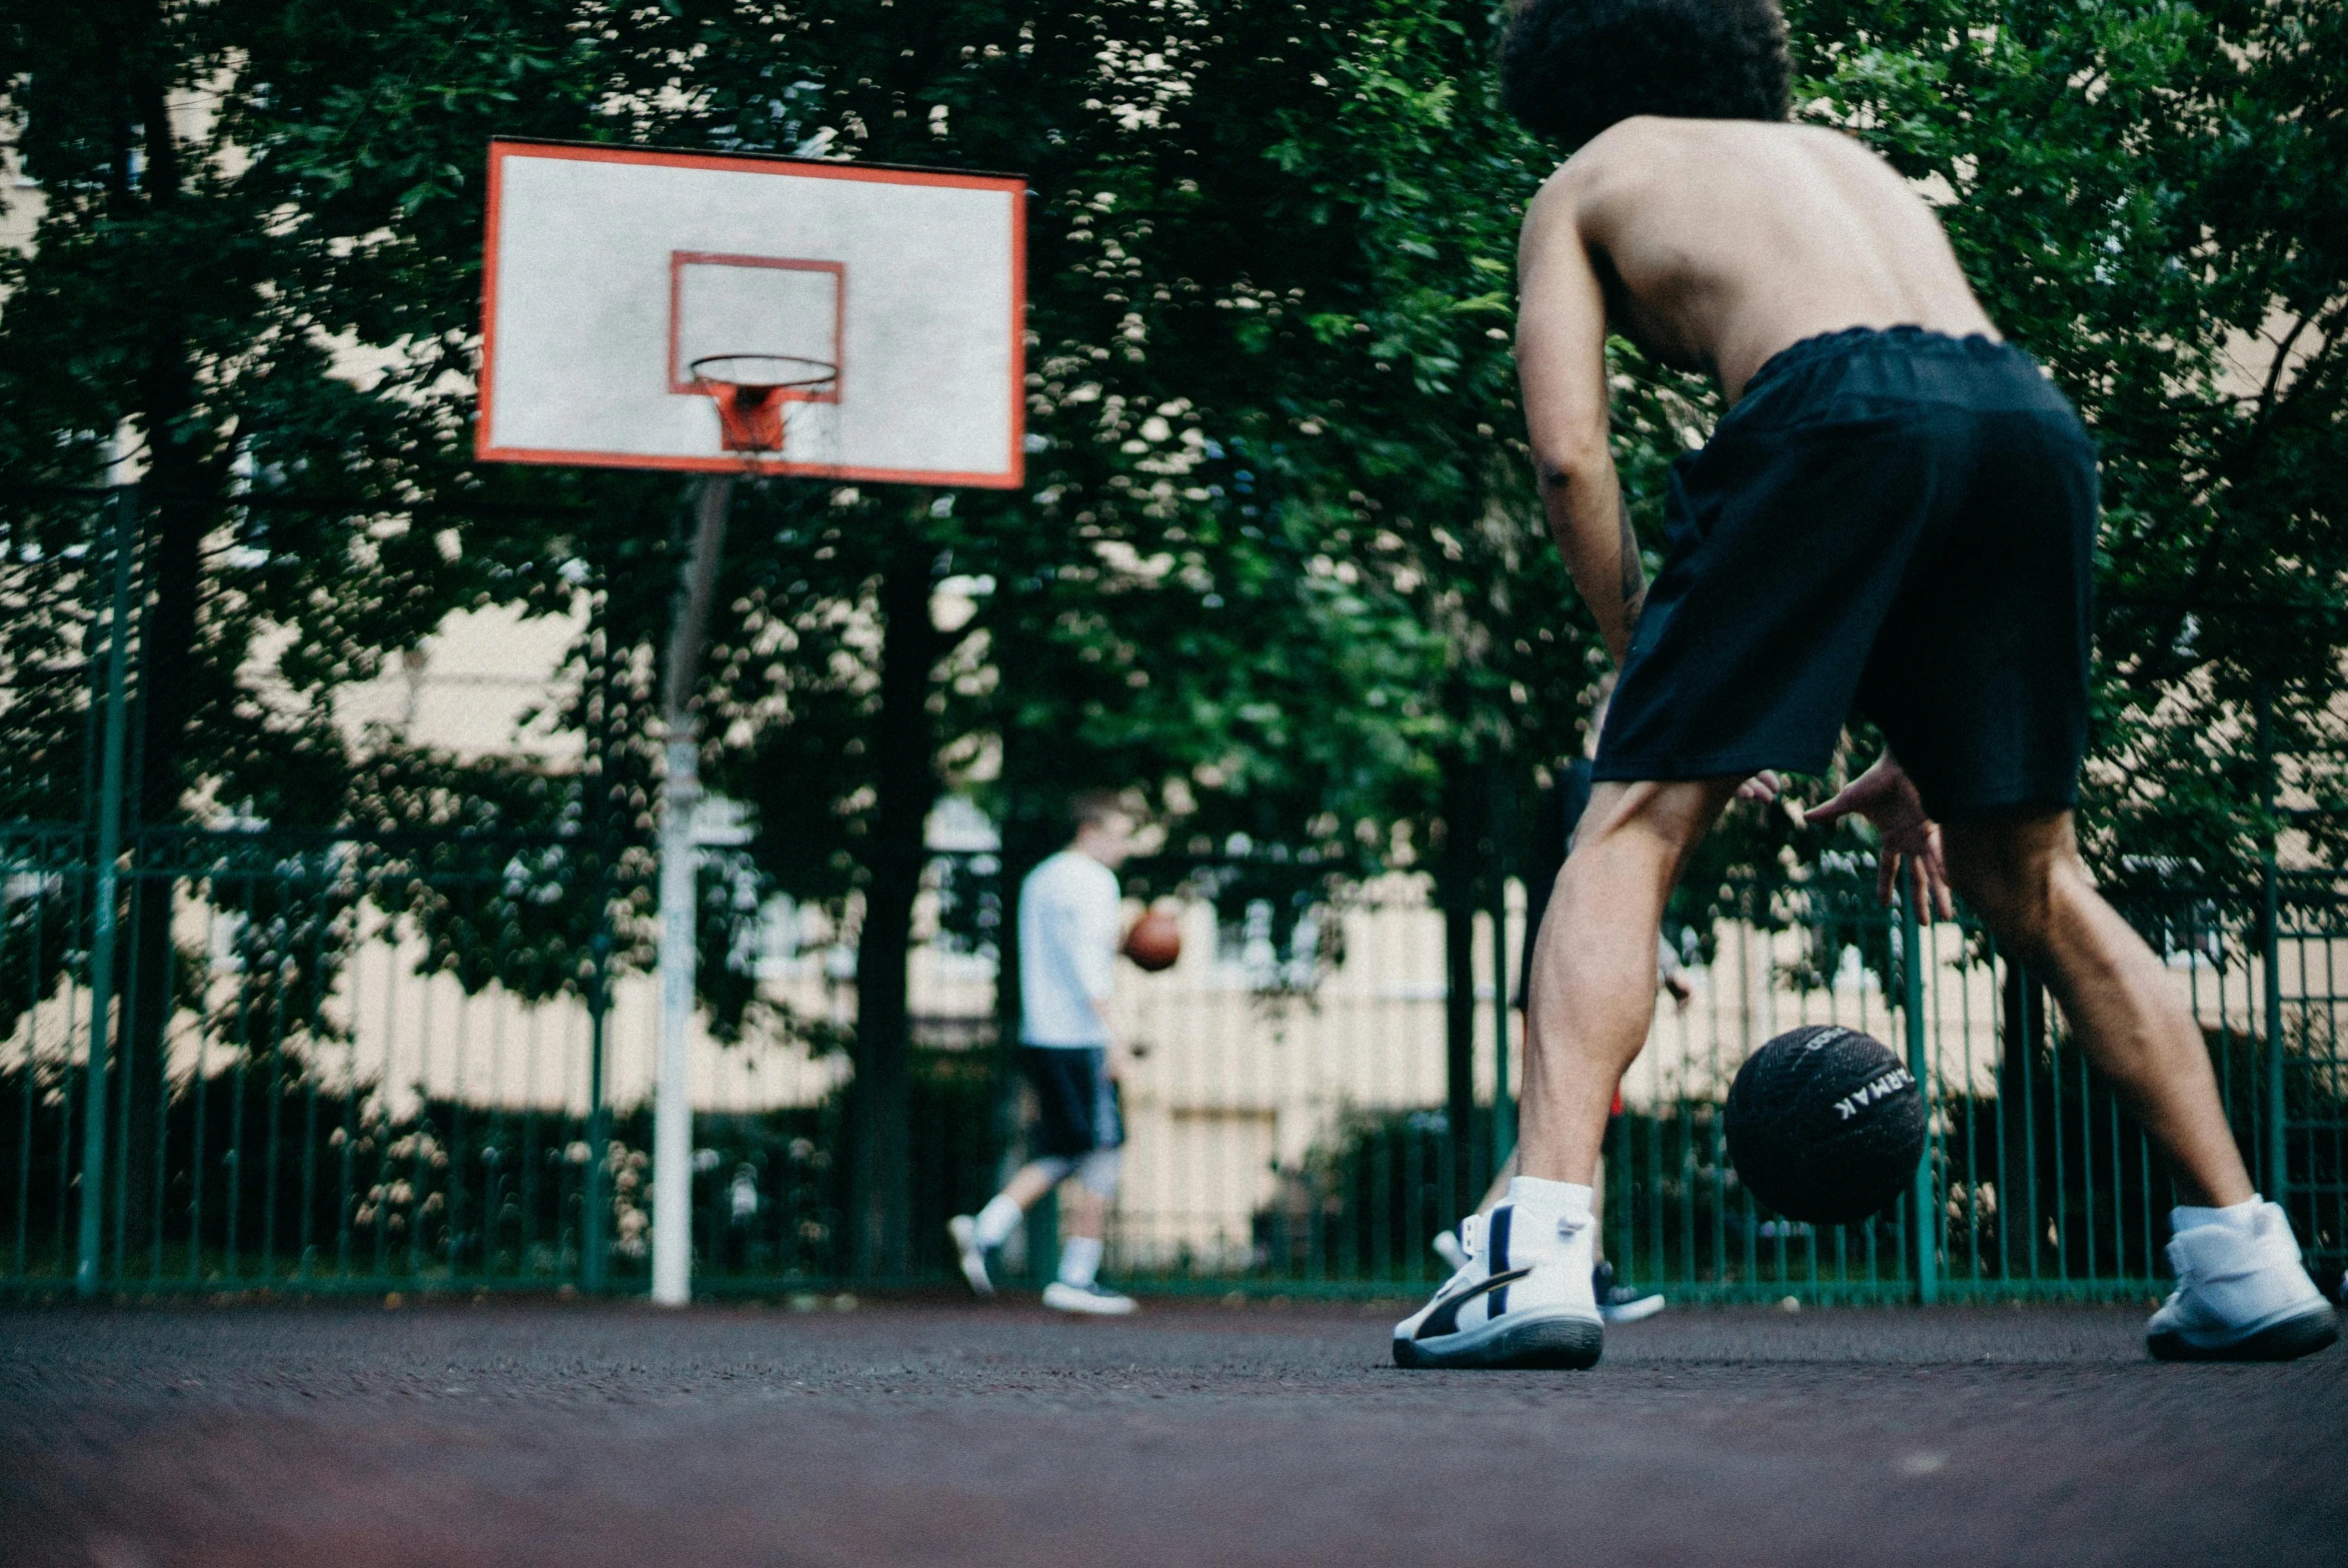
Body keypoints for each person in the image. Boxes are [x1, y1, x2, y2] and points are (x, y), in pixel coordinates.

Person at [1396, 0, 2338, 1369]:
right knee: (2035, 876)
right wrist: (1926, 728)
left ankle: (1529, 1254)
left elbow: (1569, 457)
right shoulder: (1847, 162)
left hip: (1832, 412)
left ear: (1563, 74)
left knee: (1630, 821)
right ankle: (2244, 1249)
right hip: (2022, 420)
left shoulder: (1586, 180)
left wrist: (1636, 650)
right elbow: (1932, 420)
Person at [951, 792, 1141, 1315]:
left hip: (1043, 1030)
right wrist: (1115, 1034)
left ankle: (985, 1231)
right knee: (1104, 1152)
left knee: (1064, 1148)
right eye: (1121, 834)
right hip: (1081, 1036)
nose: (1126, 847)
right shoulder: (1095, 882)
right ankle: (1075, 1279)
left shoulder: (1040, 879)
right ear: (1092, 828)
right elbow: (1087, 964)